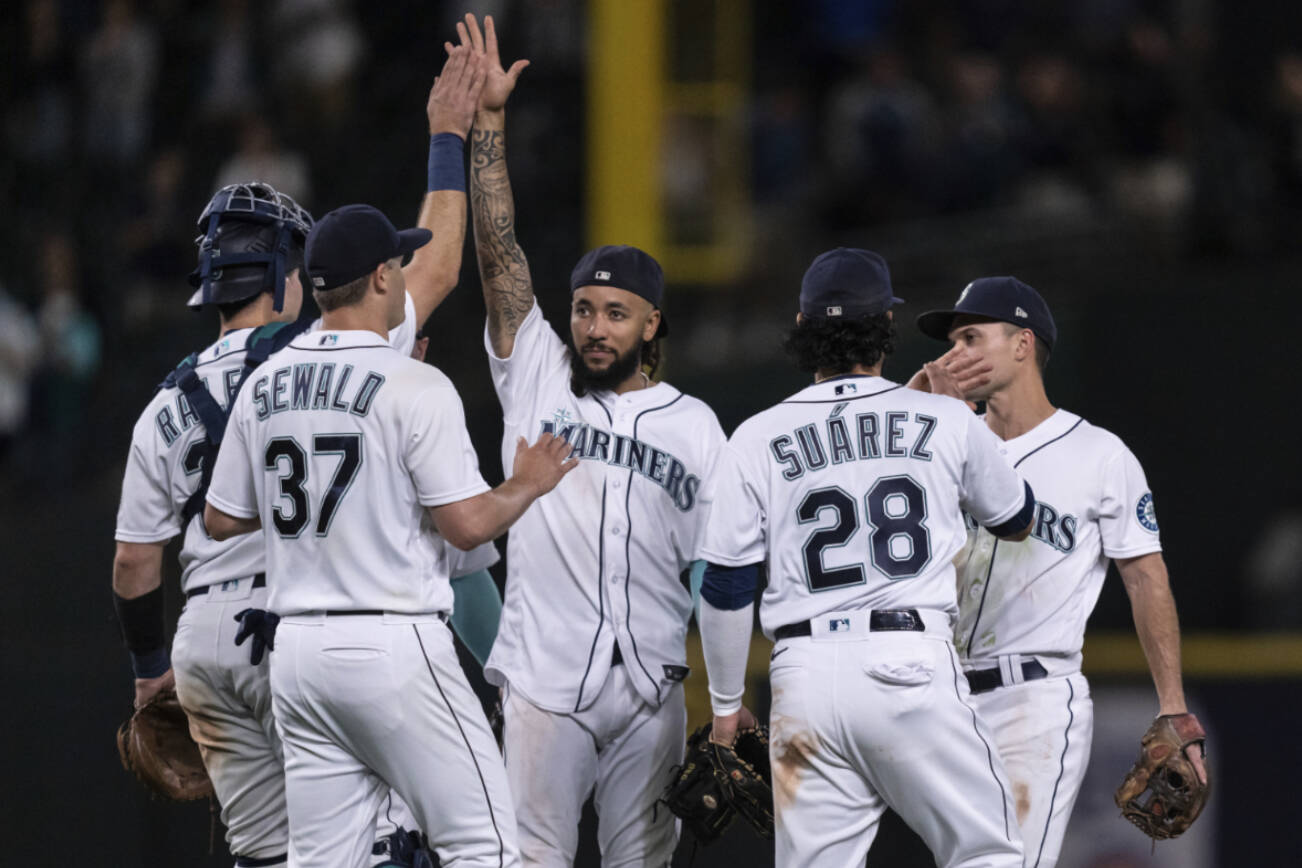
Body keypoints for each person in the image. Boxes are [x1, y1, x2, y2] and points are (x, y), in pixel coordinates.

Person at [111, 45, 490, 867]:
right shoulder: (321, 348)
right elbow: (441, 260)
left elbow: (136, 566)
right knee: (392, 841)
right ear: (288, 269)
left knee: (268, 858)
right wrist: (446, 136)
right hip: (304, 621)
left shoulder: (164, 404)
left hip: (204, 641)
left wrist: (149, 674)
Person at [203, 200, 578, 868]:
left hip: (297, 657)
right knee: (487, 846)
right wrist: (527, 482)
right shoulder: (413, 383)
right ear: (380, 277)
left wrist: (329, 504)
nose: (406, 276)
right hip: (391, 643)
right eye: (400, 263)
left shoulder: (265, 383)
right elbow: (464, 528)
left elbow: (222, 517)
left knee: (323, 860)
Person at [460, 13, 727, 866]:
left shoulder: (694, 426)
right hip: (544, 681)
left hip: (651, 687)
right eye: (585, 310)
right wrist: (489, 123)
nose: (595, 327)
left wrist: (726, 695)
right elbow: (498, 251)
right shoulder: (534, 368)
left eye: (616, 314)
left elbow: (720, 565)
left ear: (652, 323)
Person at [697, 248, 1036, 868]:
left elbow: (724, 585)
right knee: (988, 853)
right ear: (885, 327)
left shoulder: (756, 434)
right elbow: (1017, 518)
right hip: (908, 666)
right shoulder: (942, 416)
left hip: (803, 679)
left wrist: (725, 707)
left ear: (802, 330)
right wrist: (952, 417)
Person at [911, 276, 1206, 867]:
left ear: (1023, 344)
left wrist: (1172, 705)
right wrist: (910, 409)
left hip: (1033, 700)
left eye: (971, 336)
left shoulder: (1099, 456)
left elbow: (1146, 579)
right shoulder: (937, 443)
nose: (952, 355)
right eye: (951, 342)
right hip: (936, 699)